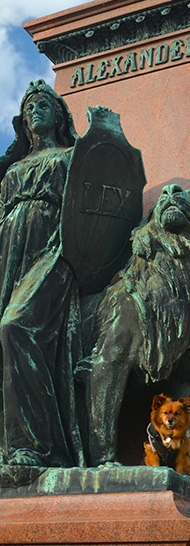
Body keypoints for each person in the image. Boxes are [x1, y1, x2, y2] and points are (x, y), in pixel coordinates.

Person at [0, 79, 85, 468]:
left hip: (51, 250)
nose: (36, 110)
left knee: (14, 327)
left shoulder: (72, 157)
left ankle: (38, 445)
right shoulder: (13, 169)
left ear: (59, 115)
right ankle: (10, 444)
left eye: (44, 104)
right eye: (29, 106)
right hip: (8, 251)